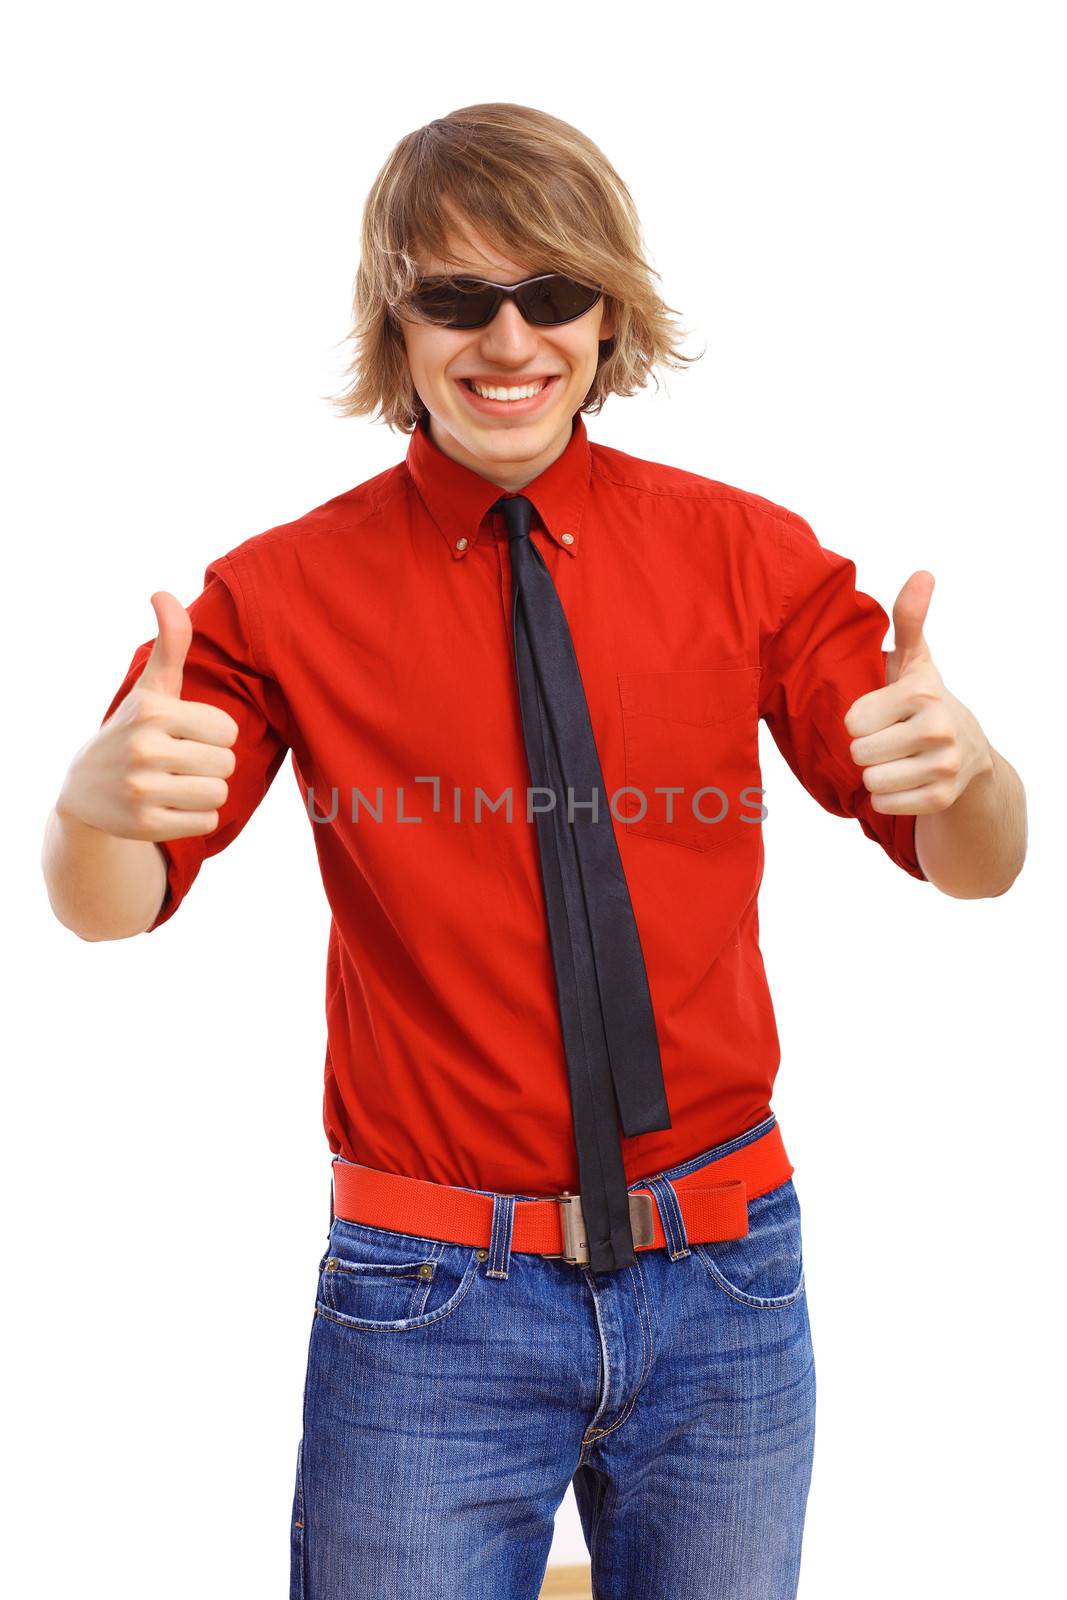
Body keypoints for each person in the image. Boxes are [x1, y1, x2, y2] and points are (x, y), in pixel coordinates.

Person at [41, 102, 1027, 1600]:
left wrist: (973, 770)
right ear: (398, 323)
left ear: (608, 314)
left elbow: (978, 863)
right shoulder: (274, 595)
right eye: (456, 298)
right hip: (431, 1299)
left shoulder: (749, 556)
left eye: (550, 294)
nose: (509, 341)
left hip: (727, 1281)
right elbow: (108, 911)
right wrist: (90, 811)